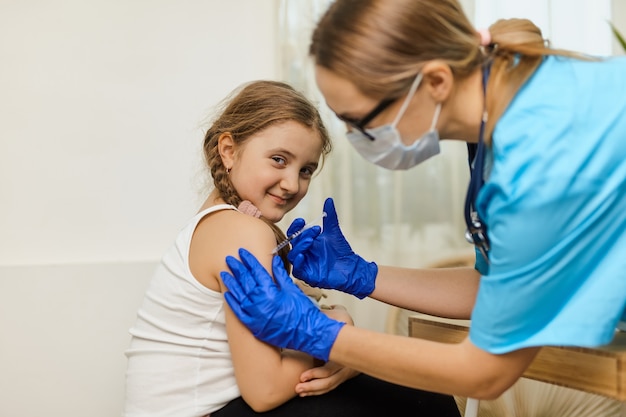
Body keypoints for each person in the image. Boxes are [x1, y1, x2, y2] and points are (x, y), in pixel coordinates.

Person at [220, 0, 626, 403]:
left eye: (359, 120)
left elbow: (483, 373)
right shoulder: (507, 117)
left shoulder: (545, 152)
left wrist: (320, 334)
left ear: (435, 82)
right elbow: (493, 288)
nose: (354, 137)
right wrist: (362, 274)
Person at [123, 79, 461, 417]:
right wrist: (337, 328)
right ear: (228, 150)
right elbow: (265, 391)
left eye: (306, 170)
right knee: (426, 401)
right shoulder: (243, 231)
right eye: (279, 159)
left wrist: (336, 338)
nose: (292, 184)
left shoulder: (222, 223)